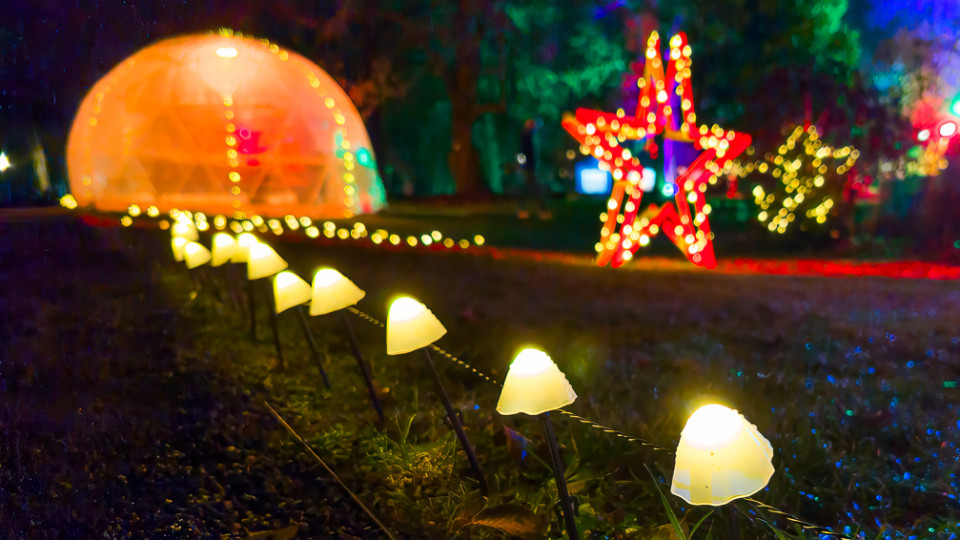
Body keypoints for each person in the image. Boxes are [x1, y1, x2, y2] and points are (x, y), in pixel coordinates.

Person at [518, 118, 551, 219]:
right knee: (534, 189)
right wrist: (524, 165)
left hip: (530, 166)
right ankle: (541, 211)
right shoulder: (527, 137)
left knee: (528, 189)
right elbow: (523, 152)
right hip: (529, 167)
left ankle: (525, 211)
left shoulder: (529, 136)